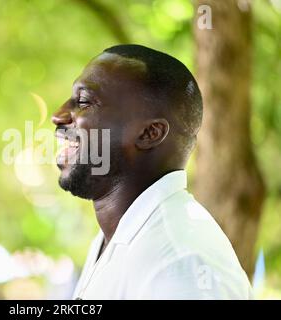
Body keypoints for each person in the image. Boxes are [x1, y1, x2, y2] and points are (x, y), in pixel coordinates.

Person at [52, 44, 252, 299]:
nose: (57, 116)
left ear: (149, 134)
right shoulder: (115, 240)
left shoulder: (181, 263)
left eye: (83, 101)